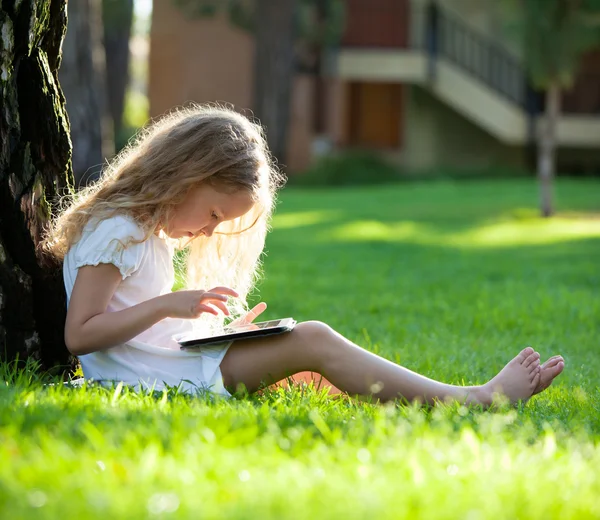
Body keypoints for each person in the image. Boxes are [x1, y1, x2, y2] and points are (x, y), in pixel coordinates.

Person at [43, 104, 564, 406]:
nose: (208, 229)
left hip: (173, 366)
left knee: (311, 373)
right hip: (155, 381)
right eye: (215, 214)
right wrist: (168, 306)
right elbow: (80, 334)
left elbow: (138, 332)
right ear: (187, 176)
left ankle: (427, 406)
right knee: (312, 339)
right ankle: (472, 399)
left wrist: (213, 337)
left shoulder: (141, 233)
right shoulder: (116, 232)